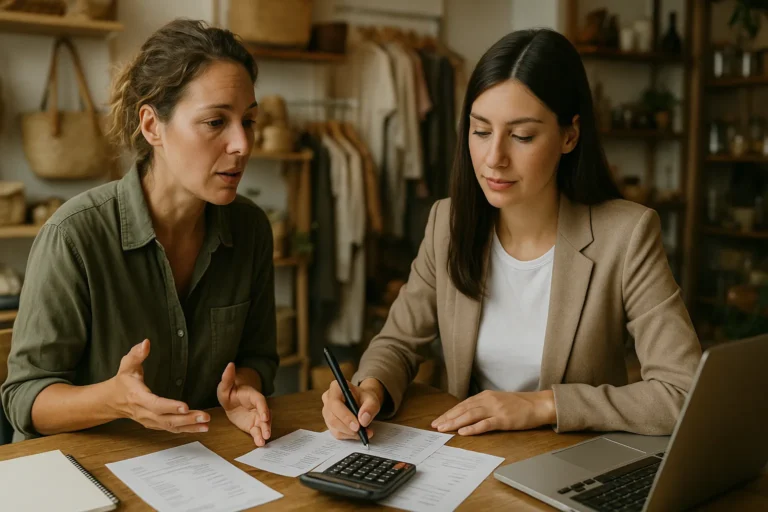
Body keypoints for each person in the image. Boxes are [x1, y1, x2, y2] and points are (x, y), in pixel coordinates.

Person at [321, 28, 702, 440]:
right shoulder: (447, 223)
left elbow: (681, 392)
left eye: (522, 136)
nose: (493, 158)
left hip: (570, 466)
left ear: (569, 136)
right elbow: (397, 342)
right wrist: (370, 388)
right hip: (466, 461)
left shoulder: (626, 236)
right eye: (481, 131)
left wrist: (541, 405)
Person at [1, 19, 277, 446]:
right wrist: (114, 400)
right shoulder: (74, 236)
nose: (242, 144)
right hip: (83, 474)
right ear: (152, 126)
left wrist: (242, 384)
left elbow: (258, 355)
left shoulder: (251, 228)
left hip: (199, 468)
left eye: (250, 121)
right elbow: (23, 398)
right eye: (215, 122)